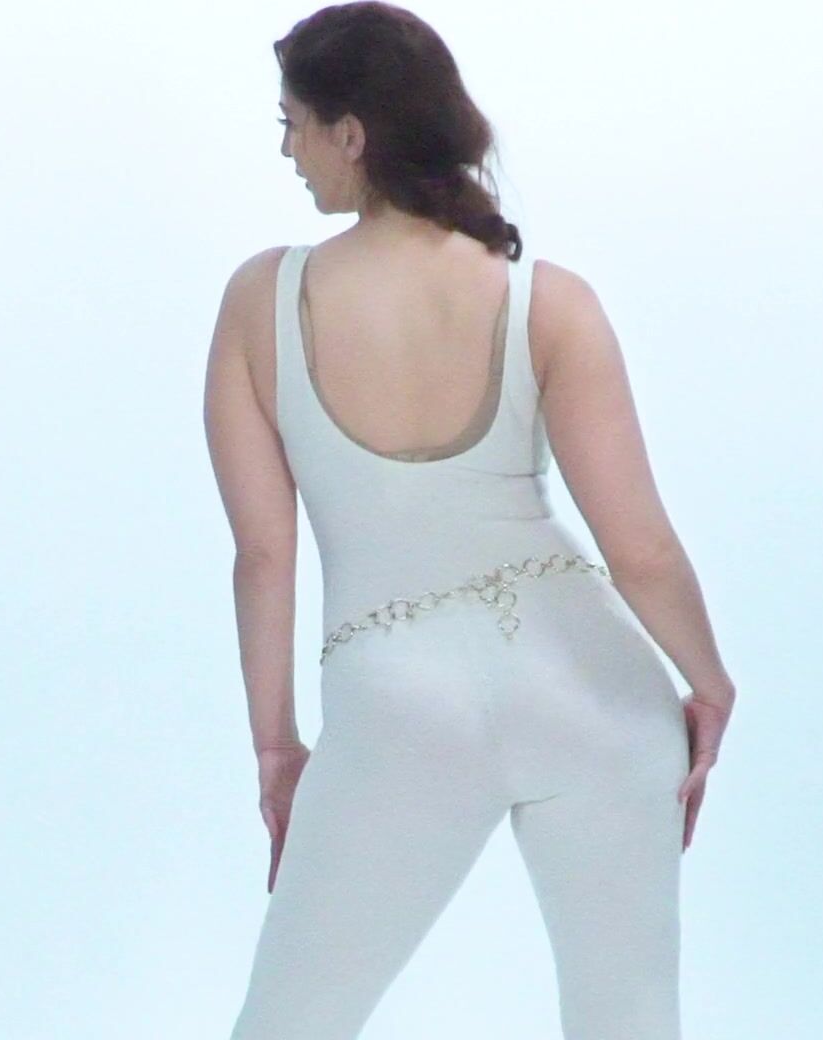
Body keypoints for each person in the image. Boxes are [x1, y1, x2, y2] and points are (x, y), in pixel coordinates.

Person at [202, 4, 736, 1036]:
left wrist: (277, 747)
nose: (286, 151)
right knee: (629, 1021)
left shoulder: (261, 301)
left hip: (401, 703)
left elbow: (263, 553)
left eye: (293, 125)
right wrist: (708, 683)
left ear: (351, 134)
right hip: (596, 691)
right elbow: (642, 549)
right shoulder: (548, 299)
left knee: (288, 1023)